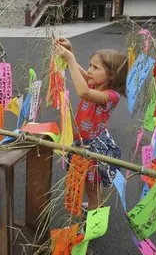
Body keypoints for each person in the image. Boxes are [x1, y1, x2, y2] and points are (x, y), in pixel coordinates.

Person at [55, 38, 128, 211]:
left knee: (91, 185)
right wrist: (69, 54)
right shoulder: (97, 83)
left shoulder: (110, 96)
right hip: (83, 142)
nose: (89, 71)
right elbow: (84, 76)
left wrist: (71, 60)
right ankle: (96, 204)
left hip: (92, 147)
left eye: (95, 68)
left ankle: (95, 212)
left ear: (111, 75)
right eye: (90, 65)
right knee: (91, 182)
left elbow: (83, 91)